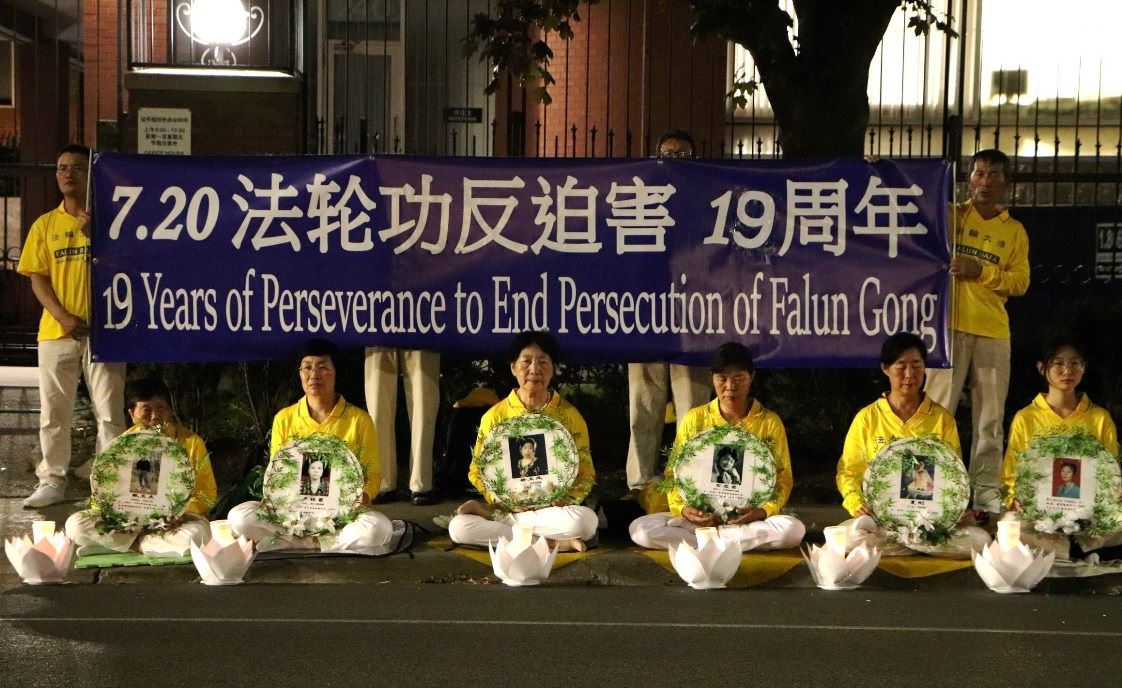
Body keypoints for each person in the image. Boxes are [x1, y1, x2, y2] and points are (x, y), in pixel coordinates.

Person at [18, 143, 126, 508]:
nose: (67, 174)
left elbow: (131, 264)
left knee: (109, 413)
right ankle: (52, 480)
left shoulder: (111, 220)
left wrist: (99, 235)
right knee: (54, 413)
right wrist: (63, 317)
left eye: (76, 168)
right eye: (62, 168)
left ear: (91, 174)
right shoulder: (45, 225)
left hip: (106, 332)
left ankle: (109, 486)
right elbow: (37, 277)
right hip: (57, 332)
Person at [924, 149, 1030, 517]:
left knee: (990, 419)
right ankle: (928, 489)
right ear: (968, 179)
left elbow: (1020, 282)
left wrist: (980, 271)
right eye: (979, 173)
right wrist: (881, 170)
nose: (985, 182)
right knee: (937, 414)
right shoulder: (950, 215)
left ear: (1006, 183)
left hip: (992, 332)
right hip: (947, 329)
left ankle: (985, 494)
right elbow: (906, 207)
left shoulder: (1014, 231)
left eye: (994, 175)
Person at [630, 342, 805, 552]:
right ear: (712, 378)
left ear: (751, 377)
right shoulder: (695, 419)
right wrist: (684, 509)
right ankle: (730, 542)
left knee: (793, 530)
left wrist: (762, 511)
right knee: (640, 530)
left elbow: (783, 478)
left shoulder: (769, 422)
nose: (730, 386)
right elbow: (673, 474)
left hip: (747, 521)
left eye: (738, 378)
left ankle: (711, 541)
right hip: (700, 522)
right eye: (722, 378)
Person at [229, 339, 396, 554]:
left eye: (323, 367)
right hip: (292, 518)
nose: (314, 375)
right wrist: (274, 499)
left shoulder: (359, 420)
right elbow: (277, 473)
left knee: (379, 529)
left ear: (335, 372)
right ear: (300, 373)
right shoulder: (284, 418)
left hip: (341, 517)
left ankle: (293, 544)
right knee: (239, 518)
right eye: (307, 367)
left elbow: (372, 475)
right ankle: (320, 544)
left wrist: (360, 498)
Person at [836, 332, 989, 558]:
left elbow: (952, 474)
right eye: (901, 366)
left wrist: (952, 511)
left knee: (980, 540)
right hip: (881, 522)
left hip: (930, 523)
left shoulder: (941, 419)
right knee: (847, 536)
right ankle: (920, 545)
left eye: (916, 366)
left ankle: (909, 543)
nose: (909, 374)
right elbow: (849, 471)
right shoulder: (867, 418)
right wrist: (857, 505)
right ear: (885, 368)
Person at [448, 332, 598, 551]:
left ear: (553, 369)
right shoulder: (495, 416)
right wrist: (501, 500)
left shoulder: (569, 416)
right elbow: (477, 470)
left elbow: (586, 474)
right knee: (459, 528)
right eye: (526, 361)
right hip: (509, 509)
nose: (534, 370)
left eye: (543, 362)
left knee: (585, 521)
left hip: (552, 512)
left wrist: (564, 500)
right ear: (513, 367)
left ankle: (507, 525)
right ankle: (553, 542)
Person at [625, 131, 712, 492]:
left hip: (695, 318)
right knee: (643, 406)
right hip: (648, 316)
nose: (674, 160)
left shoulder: (708, 197)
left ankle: (691, 483)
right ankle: (640, 483)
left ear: (695, 159)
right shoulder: (639, 198)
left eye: (682, 155)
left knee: (693, 410)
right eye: (667, 154)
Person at [64, 376, 216, 556]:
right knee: (75, 525)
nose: (155, 416)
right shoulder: (120, 447)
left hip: (175, 522)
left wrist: (181, 513)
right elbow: (102, 495)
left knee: (196, 535)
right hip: (127, 523)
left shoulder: (191, 443)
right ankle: (147, 545)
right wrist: (117, 515)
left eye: (160, 408)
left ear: (169, 409)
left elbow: (206, 494)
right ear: (132, 414)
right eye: (146, 410)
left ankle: (121, 544)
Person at [1002, 337, 1120, 559]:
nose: (1067, 370)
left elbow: (1111, 473)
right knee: (1011, 524)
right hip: (1041, 514)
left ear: (1084, 368)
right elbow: (1011, 473)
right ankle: (1078, 550)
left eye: (1075, 363)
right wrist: (1015, 500)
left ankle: (1065, 549)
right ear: (1042, 368)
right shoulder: (1026, 418)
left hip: (1089, 515)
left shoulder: (1100, 418)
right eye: (1058, 363)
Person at [364, 346, 440, 505]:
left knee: (422, 402)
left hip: (415, 330)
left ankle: (416, 484)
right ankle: (386, 483)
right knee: (378, 405)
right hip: (379, 330)